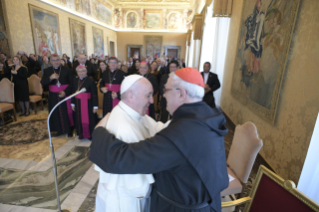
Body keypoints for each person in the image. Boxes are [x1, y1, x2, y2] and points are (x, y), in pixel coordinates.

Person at [90, 67, 229, 212]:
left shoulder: (182, 133)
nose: (162, 96)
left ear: (181, 93)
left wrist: (99, 131)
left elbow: (120, 158)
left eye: (166, 90)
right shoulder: (204, 116)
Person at [95, 75, 168, 212]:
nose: (152, 101)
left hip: (130, 197)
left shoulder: (134, 113)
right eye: (148, 95)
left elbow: (158, 128)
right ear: (131, 95)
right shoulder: (124, 127)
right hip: (124, 201)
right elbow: (138, 183)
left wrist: (181, 124)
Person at [41, 54, 74, 137]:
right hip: (53, 95)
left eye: (57, 60)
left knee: (67, 112)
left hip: (65, 94)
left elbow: (72, 84)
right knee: (55, 112)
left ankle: (70, 129)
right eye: (53, 60)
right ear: (50, 62)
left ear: (60, 60)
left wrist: (65, 92)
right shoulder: (47, 70)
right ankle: (58, 129)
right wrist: (50, 78)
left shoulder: (67, 70)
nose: (56, 62)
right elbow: (43, 82)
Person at [71, 65, 98, 139]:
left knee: (90, 119)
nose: (81, 73)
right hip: (78, 103)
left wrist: (95, 106)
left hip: (88, 104)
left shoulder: (91, 81)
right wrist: (72, 103)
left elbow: (94, 94)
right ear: (77, 72)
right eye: (79, 71)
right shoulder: (75, 80)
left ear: (86, 71)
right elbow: (73, 92)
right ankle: (81, 133)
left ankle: (90, 135)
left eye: (83, 71)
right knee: (79, 118)